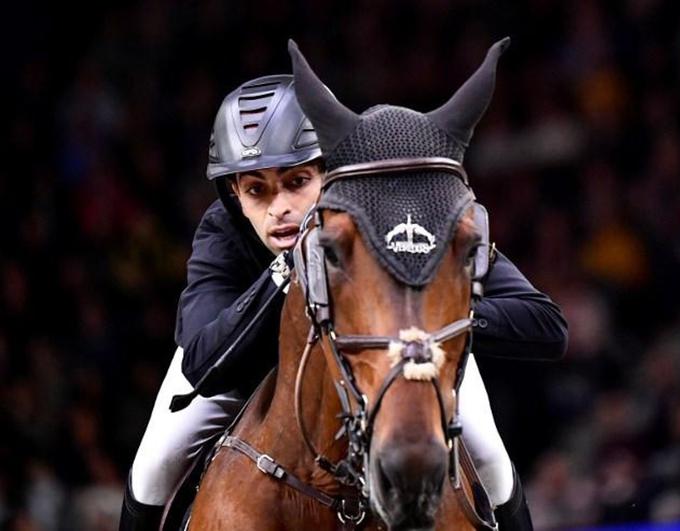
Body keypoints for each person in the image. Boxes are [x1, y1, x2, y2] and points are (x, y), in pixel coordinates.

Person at [119, 74, 567, 531]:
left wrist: (436, 315)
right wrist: (294, 266)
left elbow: (546, 326)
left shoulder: (390, 207)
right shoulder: (223, 233)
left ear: (331, 173)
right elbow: (202, 364)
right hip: (247, 366)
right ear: (234, 193)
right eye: (257, 190)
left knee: (489, 457)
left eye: (297, 181)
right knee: (157, 462)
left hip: (397, 356)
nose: (279, 209)